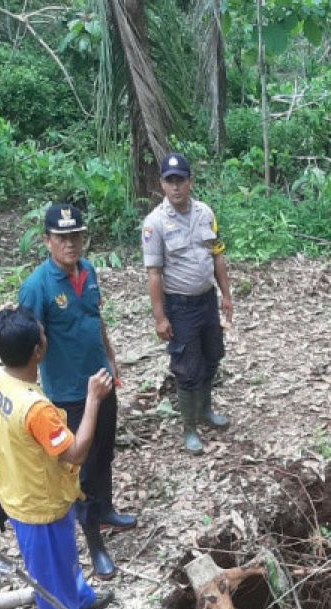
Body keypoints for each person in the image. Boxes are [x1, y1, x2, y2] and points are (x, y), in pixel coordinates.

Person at [0, 307, 115, 609]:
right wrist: (93, 399)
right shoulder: (36, 409)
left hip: (18, 486)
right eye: (43, 336)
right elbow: (76, 451)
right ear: (38, 351)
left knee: (62, 559)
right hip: (38, 503)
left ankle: (80, 599)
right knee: (49, 577)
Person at [18, 203, 136, 578]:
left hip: (101, 381)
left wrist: (112, 359)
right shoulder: (37, 286)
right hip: (69, 393)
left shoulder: (88, 271)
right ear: (47, 240)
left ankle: (105, 511)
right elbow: (27, 343)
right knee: (80, 469)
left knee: (104, 455)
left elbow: (95, 319)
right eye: (62, 238)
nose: (71, 244)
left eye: (76, 236)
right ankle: (94, 543)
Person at [141, 152, 233, 454]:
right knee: (186, 368)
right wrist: (160, 317)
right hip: (179, 306)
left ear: (190, 181)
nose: (176, 186)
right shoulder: (154, 224)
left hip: (206, 301)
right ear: (162, 184)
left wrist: (226, 296)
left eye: (181, 180)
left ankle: (206, 410)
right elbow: (154, 274)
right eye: (170, 181)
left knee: (211, 357)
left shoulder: (205, 213)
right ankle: (189, 427)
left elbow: (217, 254)